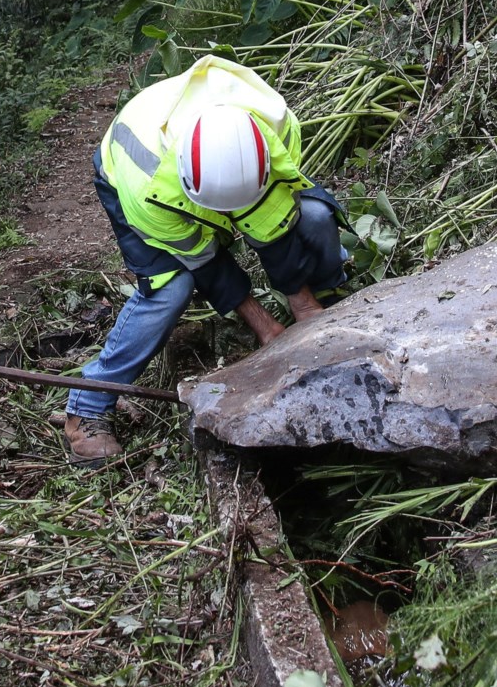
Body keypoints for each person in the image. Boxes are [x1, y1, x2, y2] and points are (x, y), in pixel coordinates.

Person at [63, 55, 351, 467]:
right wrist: (266, 328)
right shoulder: (148, 187)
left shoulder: (274, 124)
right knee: (171, 287)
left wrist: (305, 309)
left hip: (227, 170)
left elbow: (271, 221)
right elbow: (206, 260)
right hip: (125, 171)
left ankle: (328, 298)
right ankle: (88, 407)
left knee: (313, 216)